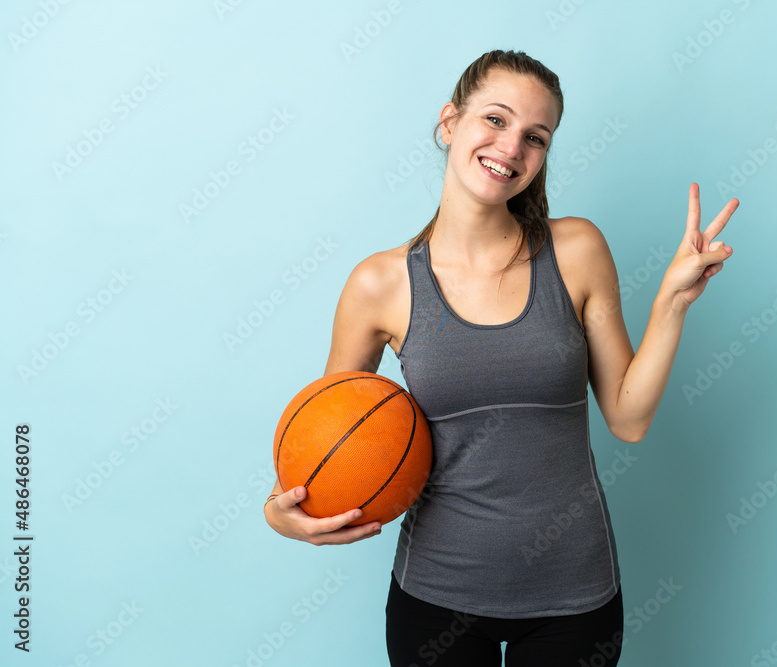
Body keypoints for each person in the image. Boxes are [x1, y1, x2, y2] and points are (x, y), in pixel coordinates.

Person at [264, 49, 738, 666]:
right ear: (449, 123)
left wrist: (672, 303)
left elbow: (628, 417)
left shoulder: (577, 249)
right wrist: (283, 517)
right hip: (436, 598)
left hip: (576, 596)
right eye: (495, 119)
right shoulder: (379, 284)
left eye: (534, 137)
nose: (511, 147)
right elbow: (329, 447)